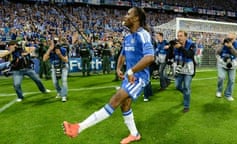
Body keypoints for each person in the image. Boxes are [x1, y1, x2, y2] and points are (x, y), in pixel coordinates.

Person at [63, 7, 154, 144]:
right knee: (125, 105)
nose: (125, 16)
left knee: (115, 100)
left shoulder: (143, 34)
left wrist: (131, 71)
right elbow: (123, 54)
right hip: (129, 77)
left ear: (136, 18)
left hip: (139, 78)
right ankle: (134, 134)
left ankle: (78, 128)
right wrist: (118, 68)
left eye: (128, 14)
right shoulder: (128, 36)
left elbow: (149, 58)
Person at [173, 30, 196, 113]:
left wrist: (181, 47)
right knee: (177, 86)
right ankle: (187, 94)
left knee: (186, 86)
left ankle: (186, 106)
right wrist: (170, 48)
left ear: (185, 37)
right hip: (179, 68)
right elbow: (172, 56)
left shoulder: (191, 44)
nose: (179, 37)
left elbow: (189, 54)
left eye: (181, 36)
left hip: (188, 70)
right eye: (178, 36)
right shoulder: (176, 45)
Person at [215, 32, 237, 101]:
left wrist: (231, 47)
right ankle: (219, 91)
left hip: (233, 64)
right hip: (222, 63)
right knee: (221, 77)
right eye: (228, 38)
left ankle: (228, 94)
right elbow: (217, 52)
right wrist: (223, 44)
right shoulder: (222, 43)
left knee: (231, 80)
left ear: (235, 38)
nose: (229, 40)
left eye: (231, 39)